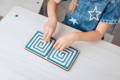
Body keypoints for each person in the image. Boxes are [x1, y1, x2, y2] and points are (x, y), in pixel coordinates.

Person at [43, 0, 120, 51]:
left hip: (90, 41)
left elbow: (99, 33)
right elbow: (53, 1)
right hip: (66, 32)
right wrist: (52, 19)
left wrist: (74, 36)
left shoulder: (114, 2)